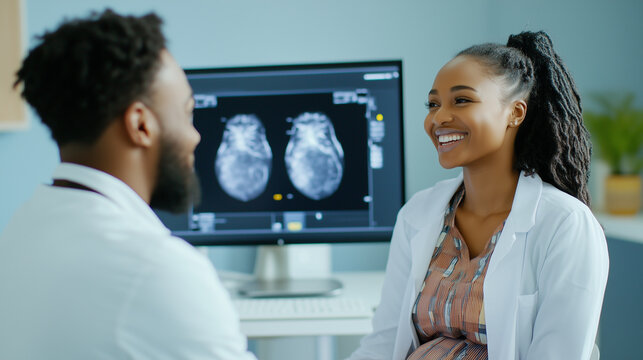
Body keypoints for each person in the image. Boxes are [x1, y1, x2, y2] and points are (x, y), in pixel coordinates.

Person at [0, 10, 256, 360]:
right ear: (140, 125)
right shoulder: (156, 268)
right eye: (187, 113)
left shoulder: (22, 230)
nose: (195, 136)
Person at [347, 31, 609, 360]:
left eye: (462, 100)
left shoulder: (566, 224)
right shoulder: (418, 213)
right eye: (432, 104)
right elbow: (383, 344)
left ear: (516, 112)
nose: (438, 118)